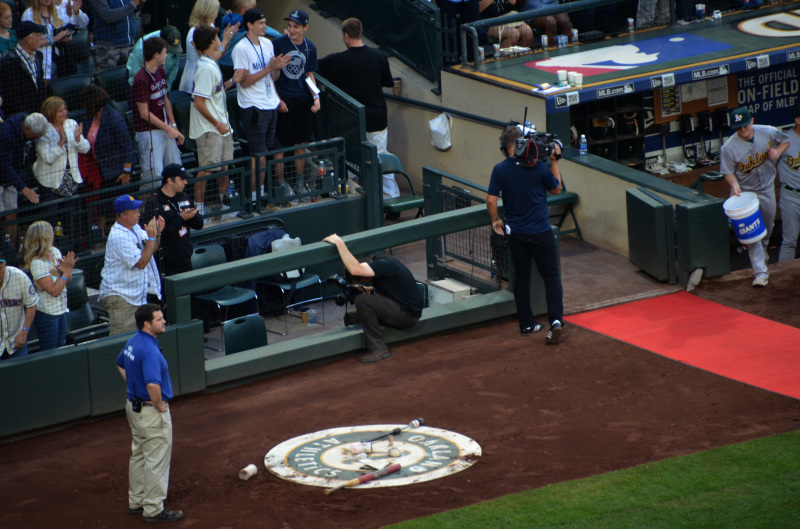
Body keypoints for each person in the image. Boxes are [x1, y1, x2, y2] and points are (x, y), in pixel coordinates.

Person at [486, 124, 564, 344]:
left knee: (521, 279)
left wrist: (495, 220)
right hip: (541, 233)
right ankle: (556, 321)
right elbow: (556, 188)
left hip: (517, 235)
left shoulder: (500, 169)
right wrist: (555, 162)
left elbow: (491, 200)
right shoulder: (538, 167)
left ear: (505, 147)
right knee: (551, 277)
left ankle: (527, 325)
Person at [115, 303, 184, 523]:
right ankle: (153, 508)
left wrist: (136, 388)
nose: (164, 321)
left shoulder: (134, 341)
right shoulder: (151, 351)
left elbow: (120, 364)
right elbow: (153, 385)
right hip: (150, 412)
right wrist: (159, 405)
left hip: (134, 408)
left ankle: (136, 501)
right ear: (147, 324)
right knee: (156, 459)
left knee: (139, 455)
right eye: (159, 319)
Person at [317, 18, 398, 201]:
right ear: (360, 33)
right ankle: (391, 199)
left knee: (350, 161)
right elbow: (387, 82)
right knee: (381, 158)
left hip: (352, 121)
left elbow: (314, 68)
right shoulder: (378, 56)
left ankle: (352, 199)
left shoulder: (339, 60)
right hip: (377, 118)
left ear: (346, 35)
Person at [323, 233, 423, 363]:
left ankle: (379, 348)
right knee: (350, 317)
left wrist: (339, 243)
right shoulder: (378, 270)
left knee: (362, 301)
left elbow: (355, 270)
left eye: (362, 280)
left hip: (407, 316)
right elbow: (388, 293)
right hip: (399, 309)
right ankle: (360, 346)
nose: (364, 282)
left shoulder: (385, 265)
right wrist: (365, 290)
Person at [720, 107, 789, 287]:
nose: (742, 130)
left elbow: (786, 140)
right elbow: (727, 172)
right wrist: (735, 186)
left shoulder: (767, 131)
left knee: (767, 225)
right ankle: (760, 273)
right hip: (746, 194)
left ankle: (764, 249)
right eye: (738, 127)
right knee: (753, 233)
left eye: (744, 125)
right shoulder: (728, 147)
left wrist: (778, 151)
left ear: (751, 121)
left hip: (766, 188)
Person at [232, 8, 290, 204]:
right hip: (253, 107)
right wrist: (269, 68)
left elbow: (273, 77)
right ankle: (255, 197)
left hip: (270, 103)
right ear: (250, 25)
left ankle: (263, 193)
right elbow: (245, 82)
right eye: (261, 23)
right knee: (258, 155)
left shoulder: (267, 44)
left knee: (266, 150)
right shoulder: (241, 48)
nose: (265, 26)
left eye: (265, 22)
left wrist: (277, 69)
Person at [189, 24, 245, 217]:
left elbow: (215, 92)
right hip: (210, 129)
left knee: (224, 168)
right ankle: (199, 209)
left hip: (222, 127)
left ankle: (225, 205)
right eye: (218, 37)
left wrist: (233, 81)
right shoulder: (205, 68)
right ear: (212, 41)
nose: (220, 40)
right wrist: (216, 123)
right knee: (206, 170)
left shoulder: (211, 62)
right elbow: (198, 102)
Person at [98, 195, 164, 335]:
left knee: (137, 339)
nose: (139, 214)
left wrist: (157, 234)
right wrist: (152, 237)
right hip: (120, 297)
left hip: (134, 296)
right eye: (134, 212)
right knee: (122, 340)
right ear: (123, 215)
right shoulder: (118, 236)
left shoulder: (134, 228)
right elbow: (141, 263)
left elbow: (150, 250)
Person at [79, 85, 138, 236]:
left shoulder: (114, 118)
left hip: (118, 173)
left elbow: (128, 147)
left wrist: (126, 172)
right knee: (103, 207)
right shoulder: (89, 119)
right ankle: (100, 236)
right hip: (100, 172)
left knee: (120, 208)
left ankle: (127, 234)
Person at [272, 9, 320, 193]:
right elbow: (271, 75)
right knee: (280, 147)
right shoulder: (278, 44)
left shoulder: (310, 48)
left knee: (301, 145)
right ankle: (281, 184)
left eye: (296, 26)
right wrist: (277, 100)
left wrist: (316, 97)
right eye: (290, 26)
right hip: (283, 100)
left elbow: (309, 75)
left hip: (302, 101)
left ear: (305, 27)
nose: (292, 30)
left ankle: (300, 183)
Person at [132, 36, 184, 191]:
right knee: (153, 177)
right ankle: (142, 211)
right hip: (148, 131)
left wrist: (173, 125)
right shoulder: (140, 79)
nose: (167, 55)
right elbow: (144, 113)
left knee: (175, 168)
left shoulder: (160, 70)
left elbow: (165, 99)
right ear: (156, 55)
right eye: (165, 52)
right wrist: (168, 129)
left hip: (165, 127)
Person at [23, 220, 77, 351]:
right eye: (51, 233)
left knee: (61, 348)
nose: (53, 236)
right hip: (47, 315)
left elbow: (68, 280)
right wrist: (65, 272)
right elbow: (54, 291)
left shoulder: (55, 252)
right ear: (45, 238)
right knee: (50, 352)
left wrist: (68, 270)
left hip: (61, 309)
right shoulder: (37, 263)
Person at [150, 164, 203, 279]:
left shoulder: (184, 197)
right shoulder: (154, 203)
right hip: (165, 265)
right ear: (170, 180)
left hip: (186, 259)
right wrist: (181, 219)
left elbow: (199, 225)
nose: (186, 182)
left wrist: (192, 217)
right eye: (182, 179)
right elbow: (158, 235)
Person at [0, 112, 46, 245]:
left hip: (11, 180)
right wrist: (23, 188)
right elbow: (4, 164)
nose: (34, 139)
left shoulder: (26, 121)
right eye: (34, 136)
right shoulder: (6, 132)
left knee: (12, 215)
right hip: (4, 175)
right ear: (28, 129)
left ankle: (10, 251)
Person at [34, 96, 90, 203]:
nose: (64, 112)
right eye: (60, 111)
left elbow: (86, 149)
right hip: (50, 181)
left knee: (70, 215)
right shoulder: (43, 130)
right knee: (53, 216)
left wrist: (78, 139)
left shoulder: (71, 124)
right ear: (51, 112)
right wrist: (60, 143)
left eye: (65, 109)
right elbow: (47, 158)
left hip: (71, 179)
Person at [178, 0, 238, 94]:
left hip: (210, 72)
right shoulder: (194, 32)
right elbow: (211, 58)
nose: (217, 14)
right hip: (197, 76)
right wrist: (225, 41)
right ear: (207, 12)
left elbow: (220, 53)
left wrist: (228, 40)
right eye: (215, 11)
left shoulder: (211, 26)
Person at [0, 21, 52, 118]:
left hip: (39, 117)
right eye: (38, 36)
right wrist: (26, 119)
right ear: (29, 39)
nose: (41, 39)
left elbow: (41, 89)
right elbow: (12, 98)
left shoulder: (38, 57)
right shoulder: (9, 62)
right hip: (22, 120)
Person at [218, 0, 281, 74]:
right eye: (253, 8)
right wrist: (284, 36)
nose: (254, 11)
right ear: (244, 11)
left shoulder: (226, 17)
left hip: (219, 59)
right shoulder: (243, 21)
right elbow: (267, 29)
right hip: (231, 63)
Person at [0, 249, 39, 360]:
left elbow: (32, 304)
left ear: (5, 265)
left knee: (21, 375)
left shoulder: (19, 277)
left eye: (0, 268)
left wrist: (24, 331)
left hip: (16, 341)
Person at [21, 0, 74, 80]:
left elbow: (68, 30)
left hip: (60, 61)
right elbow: (28, 43)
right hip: (40, 64)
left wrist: (66, 37)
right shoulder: (28, 14)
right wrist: (55, 39)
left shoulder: (59, 11)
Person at [88, 0, 143, 71]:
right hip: (108, 47)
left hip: (129, 43)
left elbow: (132, 9)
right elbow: (107, 16)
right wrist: (133, 4)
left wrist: (140, 2)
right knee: (108, 79)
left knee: (130, 78)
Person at [126, 25, 183, 90]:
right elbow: (135, 75)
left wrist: (166, 89)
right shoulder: (142, 47)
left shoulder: (174, 39)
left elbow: (174, 66)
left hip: (161, 79)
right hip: (138, 80)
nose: (167, 54)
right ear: (162, 41)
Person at [777, 104, 800, 263]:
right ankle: (782, 279)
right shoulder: (784, 140)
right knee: (790, 240)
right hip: (791, 195)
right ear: (798, 120)